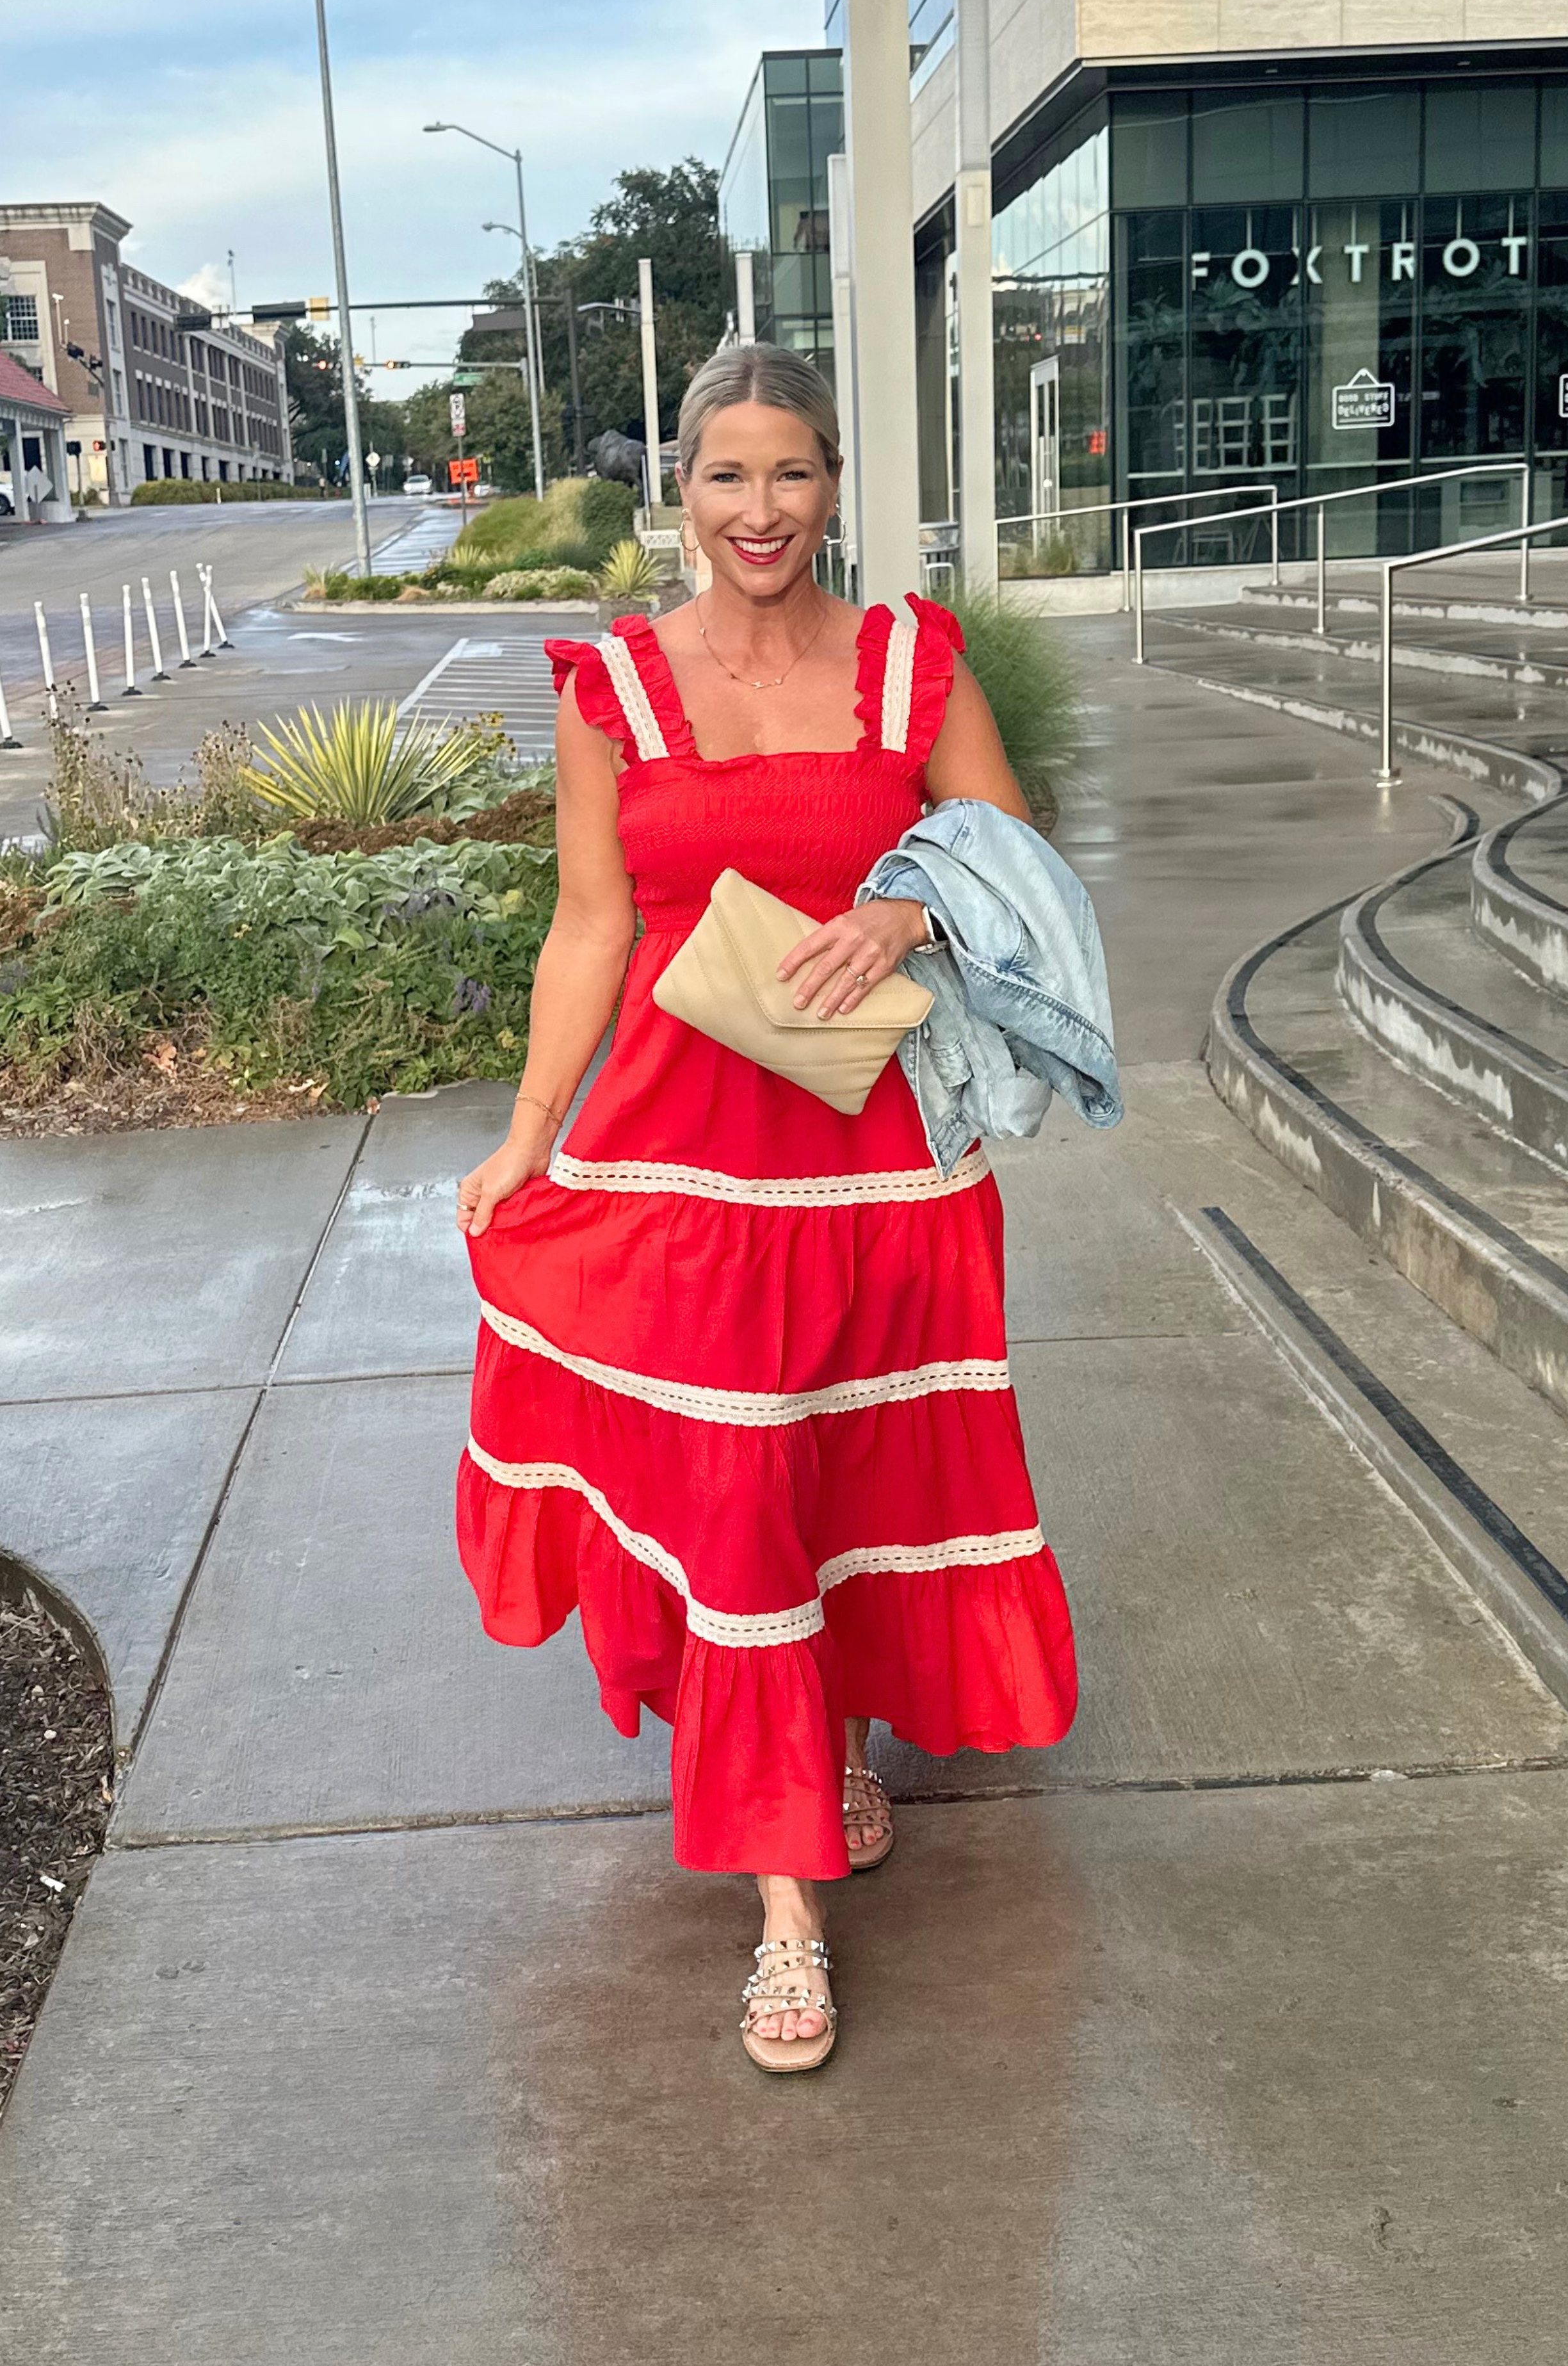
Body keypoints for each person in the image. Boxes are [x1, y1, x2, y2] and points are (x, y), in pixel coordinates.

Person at [454, 342, 1078, 2073]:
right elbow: (590, 927)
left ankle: (839, 1736)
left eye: (788, 474)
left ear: (830, 485)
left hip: (883, 1160)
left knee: (849, 1466)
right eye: (725, 476)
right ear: (681, 487)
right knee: (734, 1491)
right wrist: (526, 1138)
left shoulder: (907, 661)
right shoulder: (615, 690)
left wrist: (904, 912)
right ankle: (785, 1904)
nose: (757, 510)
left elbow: (1003, 843)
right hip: (683, 1160)